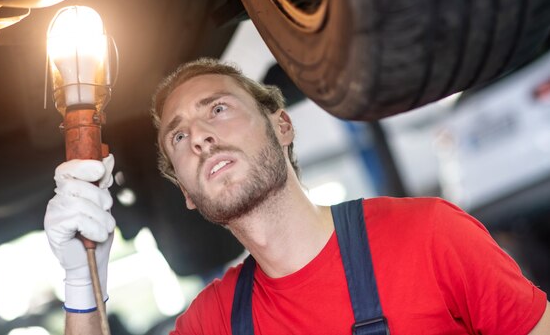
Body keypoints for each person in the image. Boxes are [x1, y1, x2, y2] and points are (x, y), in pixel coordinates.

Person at [45, 58, 550, 335]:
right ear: (187, 195)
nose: (199, 137)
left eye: (217, 109)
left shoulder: (428, 233)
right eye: (178, 137)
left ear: (282, 125)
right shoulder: (216, 322)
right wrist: (82, 282)